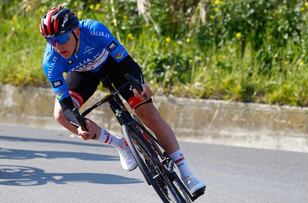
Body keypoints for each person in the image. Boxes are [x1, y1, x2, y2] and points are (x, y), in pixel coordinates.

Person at [40, 5, 206, 194]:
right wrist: (78, 124)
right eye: (51, 41)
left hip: (113, 65)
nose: (57, 46)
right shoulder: (50, 61)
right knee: (61, 115)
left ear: (76, 31)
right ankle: (120, 144)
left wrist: (140, 85)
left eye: (61, 38)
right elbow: (66, 104)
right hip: (83, 76)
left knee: (147, 112)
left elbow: (127, 62)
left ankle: (187, 174)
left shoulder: (94, 30)